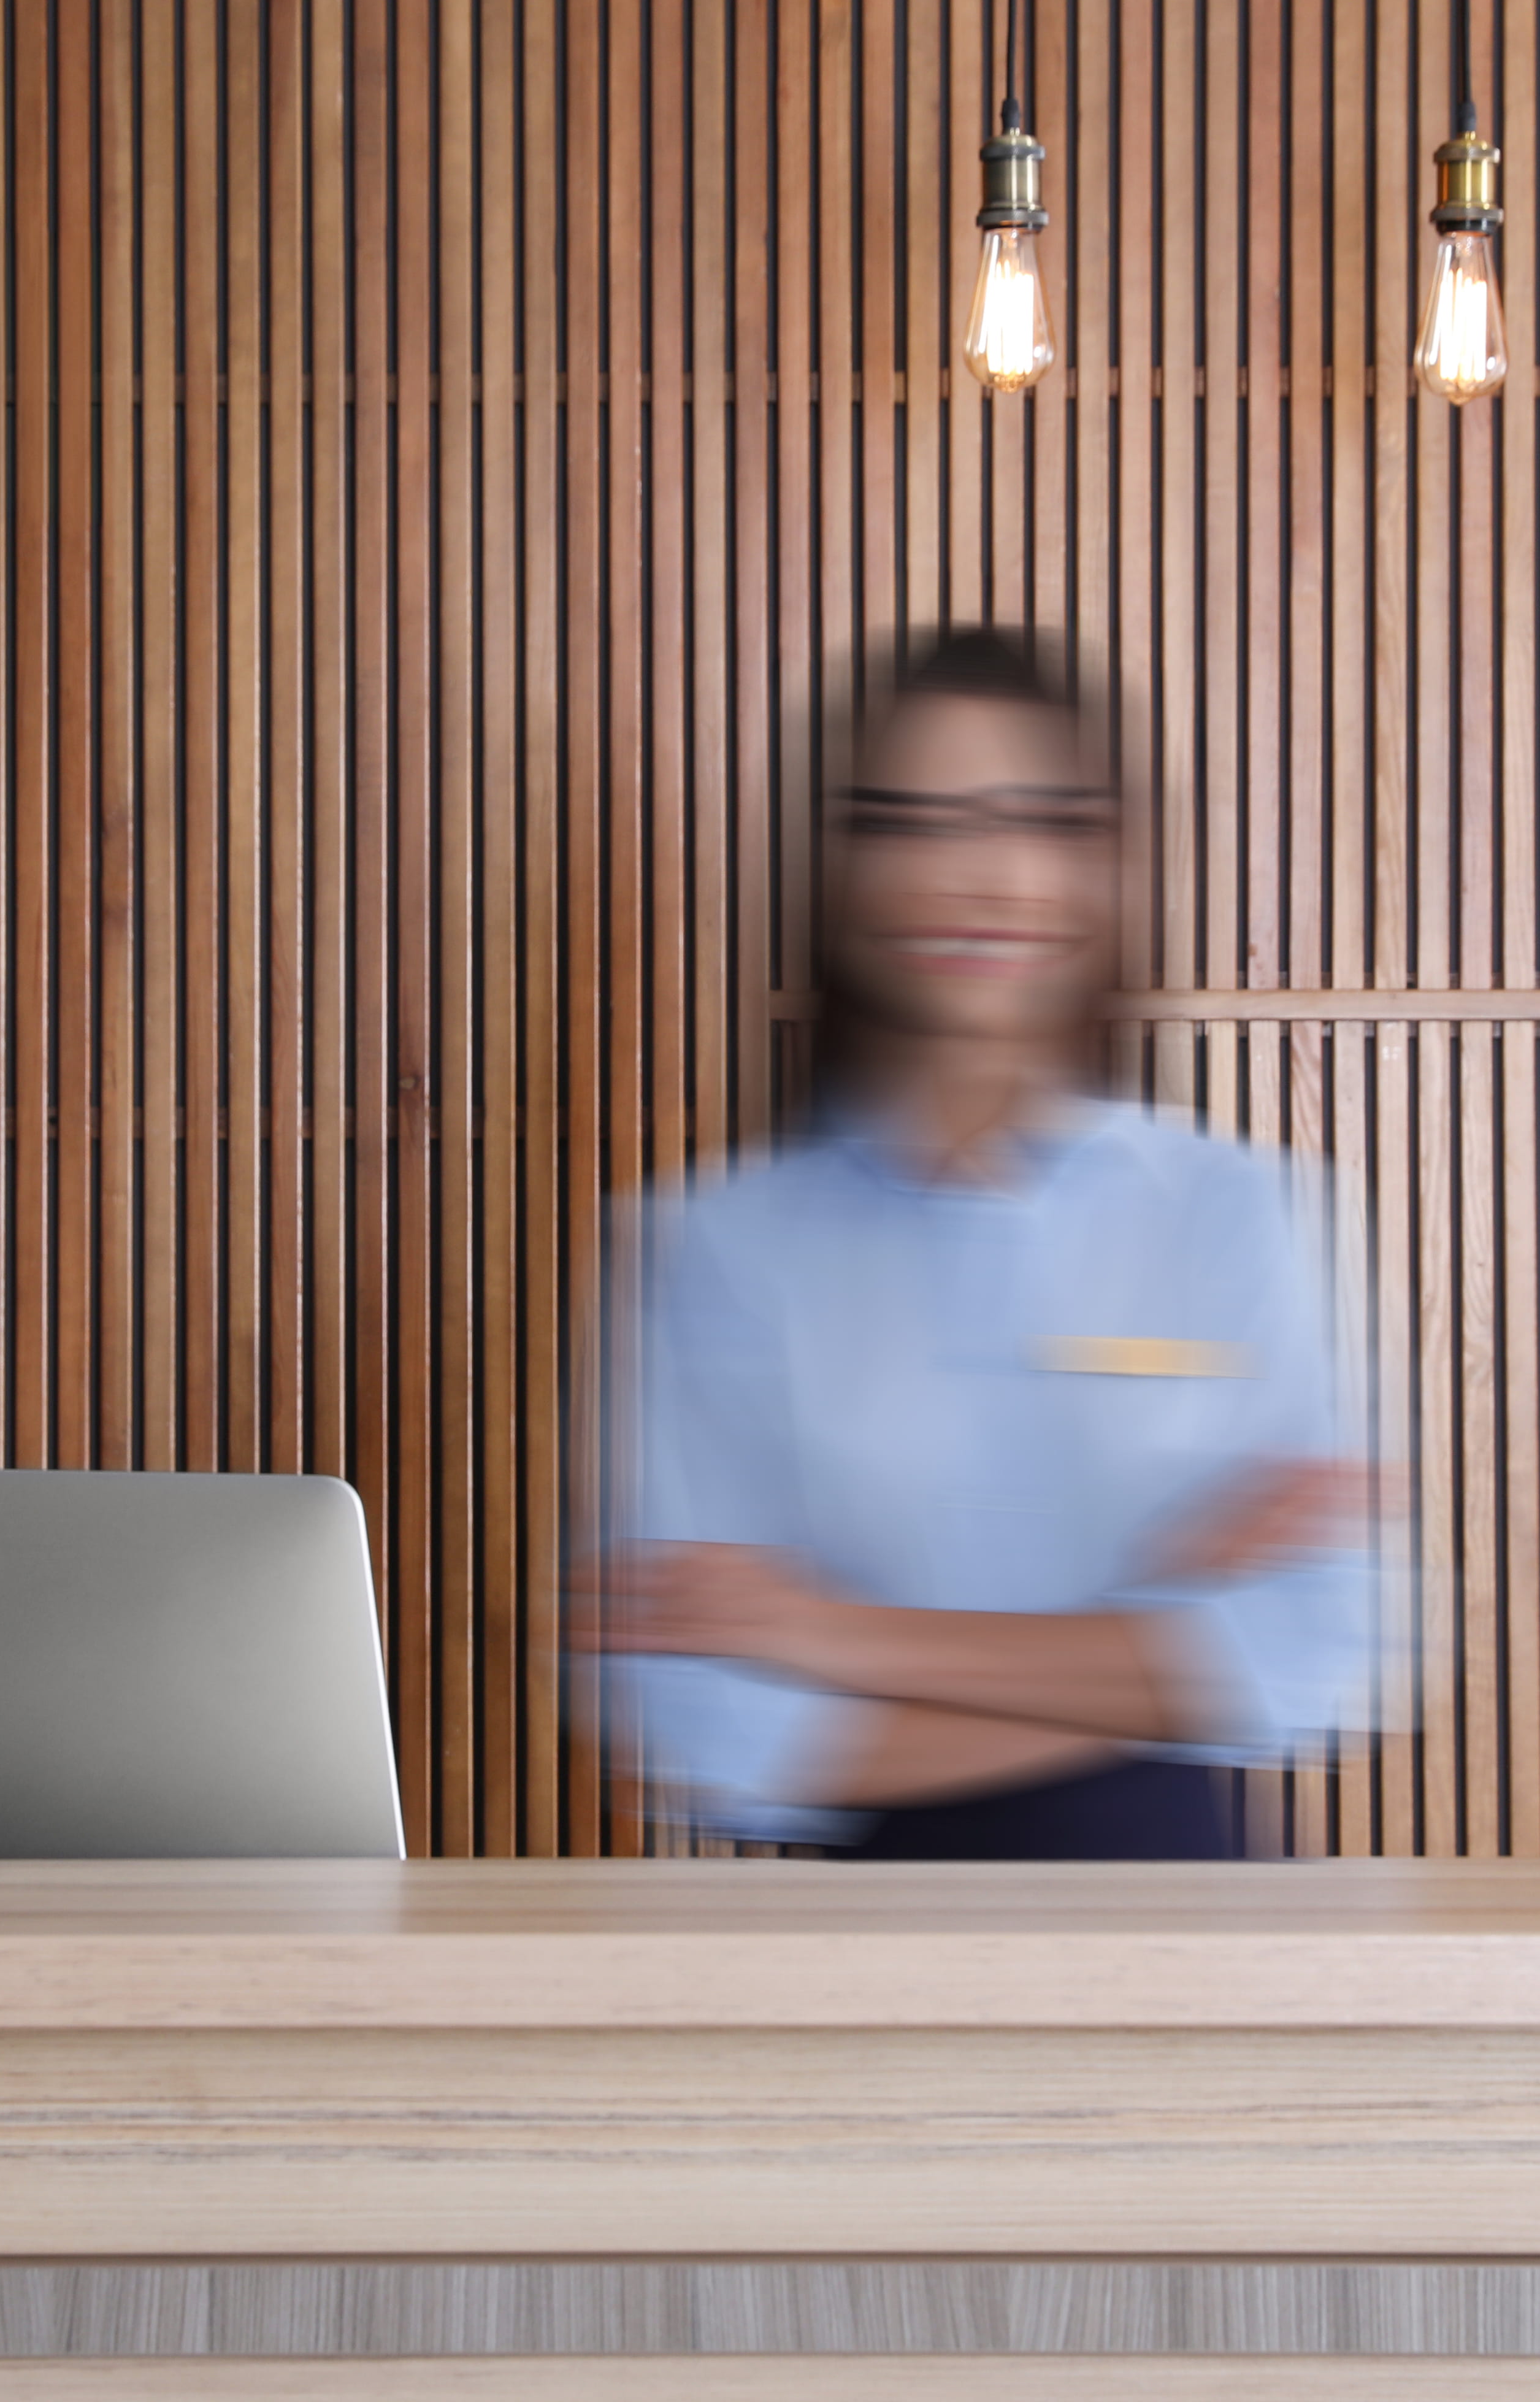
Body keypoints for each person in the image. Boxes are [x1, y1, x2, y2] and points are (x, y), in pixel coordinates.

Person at [580, 626, 1385, 1861]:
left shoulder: (1233, 1216)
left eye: (1042, 821)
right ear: (839, 876)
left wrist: (825, 1633)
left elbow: (1316, 1650)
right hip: (856, 1938)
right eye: (911, 824)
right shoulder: (711, 1250)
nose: (983, 876)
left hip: (1195, 1925)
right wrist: (1155, 1641)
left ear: (1112, 866)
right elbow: (719, 1729)